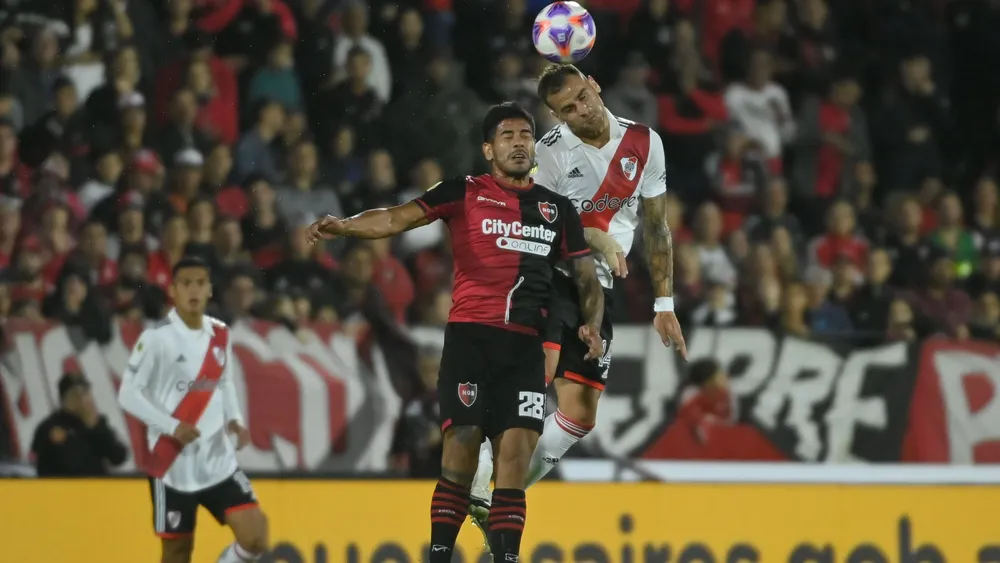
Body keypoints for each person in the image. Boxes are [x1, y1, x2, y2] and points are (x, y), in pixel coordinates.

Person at [304, 102, 605, 562]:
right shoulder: (463, 192)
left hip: (525, 347)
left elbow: (584, 275)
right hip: (470, 340)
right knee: (460, 454)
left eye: (525, 134)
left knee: (515, 457)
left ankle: (505, 558)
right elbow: (396, 217)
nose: (519, 142)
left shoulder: (557, 209)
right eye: (507, 135)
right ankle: (441, 555)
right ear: (488, 149)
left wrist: (593, 325)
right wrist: (345, 227)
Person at [469, 64, 689, 540]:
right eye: (566, 109)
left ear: (596, 85)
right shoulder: (547, 155)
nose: (579, 111)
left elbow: (656, 226)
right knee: (534, 381)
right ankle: (484, 474)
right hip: (549, 275)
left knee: (580, 414)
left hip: (599, 286)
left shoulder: (646, 143)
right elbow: (548, 227)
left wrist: (664, 304)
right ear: (556, 116)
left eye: (582, 98)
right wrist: (597, 239)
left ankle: (498, 495)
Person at [117, 256, 269, 563]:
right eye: (186, 283)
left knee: (255, 535)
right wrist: (172, 426)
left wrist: (235, 420)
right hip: (172, 464)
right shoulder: (156, 339)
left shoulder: (221, 334)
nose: (193, 290)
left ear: (210, 289)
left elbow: (224, 382)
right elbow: (128, 394)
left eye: (200, 282)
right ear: (173, 289)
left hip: (217, 461)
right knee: (176, 555)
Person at [31, 372, 129, 477]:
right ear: (64, 399)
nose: (82, 399)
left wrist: (96, 428)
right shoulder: (49, 427)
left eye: (85, 393)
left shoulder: (97, 424)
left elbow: (118, 457)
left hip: (99, 489)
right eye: (75, 395)